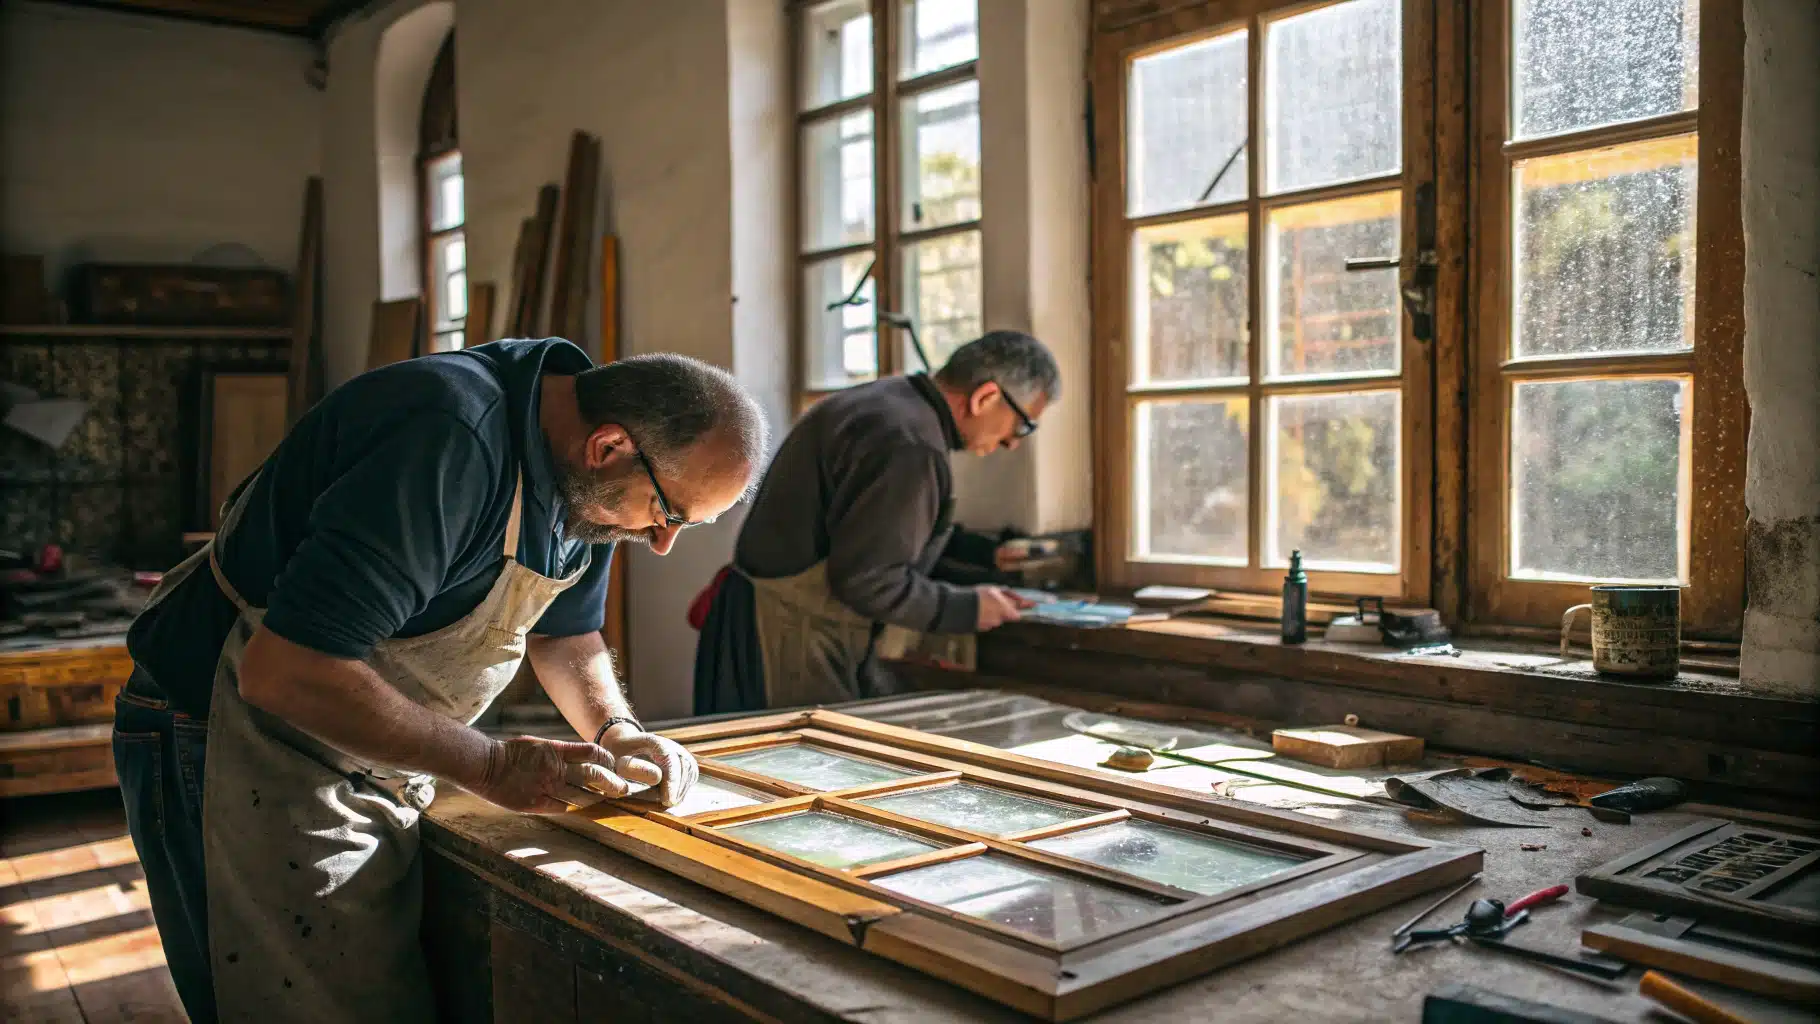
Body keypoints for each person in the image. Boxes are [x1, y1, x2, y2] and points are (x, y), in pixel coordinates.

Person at [115, 338, 767, 1023]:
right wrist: (488, 764)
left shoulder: (584, 479)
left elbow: (565, 631)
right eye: (668, 513)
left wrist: (617, 730)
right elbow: (286, 671)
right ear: (608, 447)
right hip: (222, 733)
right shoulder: (447, 440)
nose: (662, 541)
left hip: (357, 744)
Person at [693, 330, 1060, 712]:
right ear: (986, 397)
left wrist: (987, 554)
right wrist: (968, 608)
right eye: (1022, 426)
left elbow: (875, 528)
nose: (1012, 443)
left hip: (763, 621)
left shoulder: (890, 403)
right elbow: (869, 581)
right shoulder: (910, 444)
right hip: (788, 638)